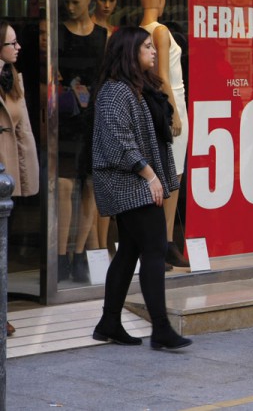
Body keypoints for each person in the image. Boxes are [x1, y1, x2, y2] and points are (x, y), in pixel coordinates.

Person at [90, 26, 191, 350]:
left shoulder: (136, 87)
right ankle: (160, 328)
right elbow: (118, 142)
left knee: (131, 251)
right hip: (128, 181)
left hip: (136, 179)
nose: (153, 51)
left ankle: (108, 322)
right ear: (131, 52)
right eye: (147, 46)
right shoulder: (116, 91)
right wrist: (150, 176)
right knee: (155, 248)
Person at [57, 0, 107, 283]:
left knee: (90, 186)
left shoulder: (104, 36)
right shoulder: (58, 34)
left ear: (88, 0)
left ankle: (79, 256)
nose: (71, 6)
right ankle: (61, 255)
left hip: (94, 118)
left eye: (76, 1)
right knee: (64, 187)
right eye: (67, 1)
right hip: (66, 117)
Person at [140, 0, 190, 268]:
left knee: (169, 175)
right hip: (171, 104)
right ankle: (164, 242)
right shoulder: (159, 31)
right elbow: (163, 77)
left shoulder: (139, 32)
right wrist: (174, 112)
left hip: (164, 105)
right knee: (173, 175)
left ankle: (166, 241)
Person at [1, 20, 40, 337]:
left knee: (5, 245)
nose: (18, 48)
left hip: (8, 176)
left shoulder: (13, 78)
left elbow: (23, 131)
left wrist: (27, 177)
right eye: (11, 43)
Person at [91, 0, 119, 255]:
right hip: (92, 108)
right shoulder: (91, 32)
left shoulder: (116, 32)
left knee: (110, 179)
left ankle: (105, 247)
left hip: (110, 107)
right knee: (96, 180)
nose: (108, 5)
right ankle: (97, 248)